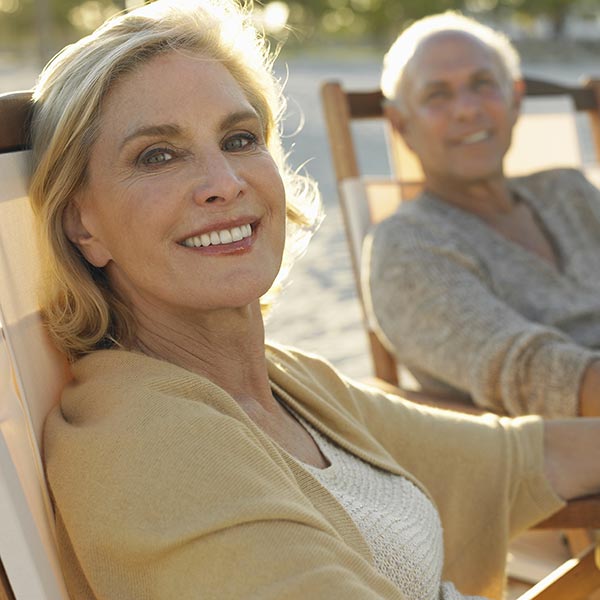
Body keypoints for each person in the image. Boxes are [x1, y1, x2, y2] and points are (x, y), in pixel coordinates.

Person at [28, 2, 600, 599]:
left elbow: (513, 458)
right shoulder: (147, 452)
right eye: (158, 155)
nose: (226, 182)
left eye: (240, 138)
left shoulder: (285, 385)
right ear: (82, 224)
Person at [364, 12, 600, 418]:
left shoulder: (568, 190)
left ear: (516, 100)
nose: (467, 110)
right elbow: (539, 379)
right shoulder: (408, 245)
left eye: (483, 84)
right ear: (400, 123)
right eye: (437, 94)